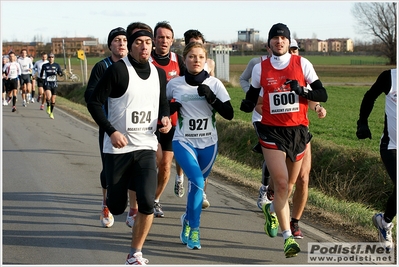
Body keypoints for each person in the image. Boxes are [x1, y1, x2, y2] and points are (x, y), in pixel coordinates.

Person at [87, 22, 171, 265]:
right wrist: (111, 131)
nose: (144, 47)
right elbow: (93, 102)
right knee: (116, 206)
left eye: (147, 42)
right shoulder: (117, 71)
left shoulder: (159, 74)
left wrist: (164, 117)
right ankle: (112, 202)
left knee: (146, 202)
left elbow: (162, 102)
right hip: (118, 148)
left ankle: (135, 254)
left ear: (152, 45)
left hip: (145, 145)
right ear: (131, 46)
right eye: (138, 43)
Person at [240, 23, 327, 258]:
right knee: (280, 183)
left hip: (298, 131)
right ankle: (288, 237)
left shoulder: (303, 64)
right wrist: (247, 103)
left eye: (283, 38)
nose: (279, 42)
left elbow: (322, 94)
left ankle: (270, 207)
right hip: (270, 131)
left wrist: (303, 91)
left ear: (289, 42)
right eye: (275, 39)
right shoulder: (261, 68)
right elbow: (252, 93)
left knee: (289, 185)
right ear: (269, 44)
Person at [166, 41, 234, 249]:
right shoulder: (174, 84)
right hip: (183, 141)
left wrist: (212, 99)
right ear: (184, 60)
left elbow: (229, 114)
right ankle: (194, 230)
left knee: (197, 186)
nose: (196, 60)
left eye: (200, 57)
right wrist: (170, 109)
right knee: (196, 181)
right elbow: (161, 112)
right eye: (192, 57)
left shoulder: (215, 84)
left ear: (206, 60)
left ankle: (187, 219)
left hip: (209, 143)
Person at [84, 27, 129, 228]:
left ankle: (134, 210)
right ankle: (106, 205)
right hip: (110, 127)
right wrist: (106, 118)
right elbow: (90, 96)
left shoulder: (136, 66)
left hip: (133, 126)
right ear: (110, 45)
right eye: (117, 40)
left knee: (136, 168)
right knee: (109, 170)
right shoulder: (103, 67)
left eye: (124, 40)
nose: (121, 43)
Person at [356, 69, 396, 253]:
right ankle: (385, 223)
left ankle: (384, 220)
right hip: (392, 146)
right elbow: (370, 96)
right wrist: (362, 122)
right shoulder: (391, 77)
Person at [149, 21, 186, 217]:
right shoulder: (147, 61)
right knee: (152, 162)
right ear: (154, 40)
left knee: (165, 165)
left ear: (172, 40)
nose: (164, 41)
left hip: (172, 122)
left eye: (167, 37)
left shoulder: (178, 61)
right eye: (160, 37)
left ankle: (154, 200)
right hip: (148, 123)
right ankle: (140, 197)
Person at [181, 29, 216, 209]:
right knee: (188, 159)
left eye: (201, 43)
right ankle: (181, 177)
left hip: (205, 116)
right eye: (193, 43)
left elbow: (213, 83)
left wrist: (213, 98)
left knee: (202, 165)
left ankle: (200, 191)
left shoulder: (210, 62)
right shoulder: (185, 62)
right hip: (186, 116)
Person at [40, 53, 63, 119]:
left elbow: (59, 73)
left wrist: (61, 74)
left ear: (54, 58)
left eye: (52, 57)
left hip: (54, 84)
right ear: (48, 58)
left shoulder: (57, 65)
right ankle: (48, 106)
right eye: (49, 57)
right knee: (48, 96)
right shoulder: (45, 65)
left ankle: (51, 112)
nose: (51, 58)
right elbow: (41, 73)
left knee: (53, 99)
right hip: (47, 83)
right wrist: (41, 78)